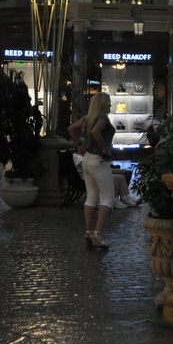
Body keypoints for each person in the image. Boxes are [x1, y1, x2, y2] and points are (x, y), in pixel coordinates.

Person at [68, 93, 116, 249]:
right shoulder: (103, 119)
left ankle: (88, 232)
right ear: (103, 104)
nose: (110, 105)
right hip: (99, 161)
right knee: (108, 197)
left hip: (87, 160)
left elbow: (71, 129)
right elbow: (96, 132)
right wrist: (104, 148)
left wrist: (78, 145)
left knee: (91, 197)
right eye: (108, 103)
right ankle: (97, 233)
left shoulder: (87, 118)